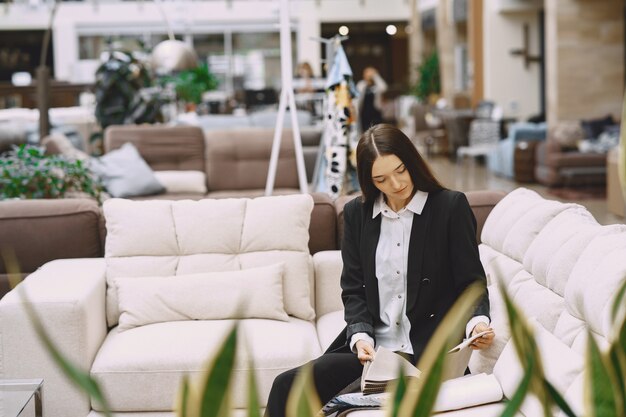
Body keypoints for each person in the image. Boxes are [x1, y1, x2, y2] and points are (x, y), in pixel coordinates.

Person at [265, 124, 494, 417]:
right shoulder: (357, 214)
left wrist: (476, 323)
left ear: (412, 161)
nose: (396, 184)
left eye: (400, 170)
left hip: (428, 351)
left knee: (342, 407)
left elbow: (471, 283)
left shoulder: (450, 207)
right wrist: (360, 337)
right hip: (373, 351)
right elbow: (353, 288)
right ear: (368, 180)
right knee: (286, 386)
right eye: (381, 179)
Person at [356, 67, 388, 133]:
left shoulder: (377, 86)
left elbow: (384, 88)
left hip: (376, 113)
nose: (369, 76)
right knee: (366, 132)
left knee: (377, 131)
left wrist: (376, 76)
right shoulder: (361, 85)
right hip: (364, 114)